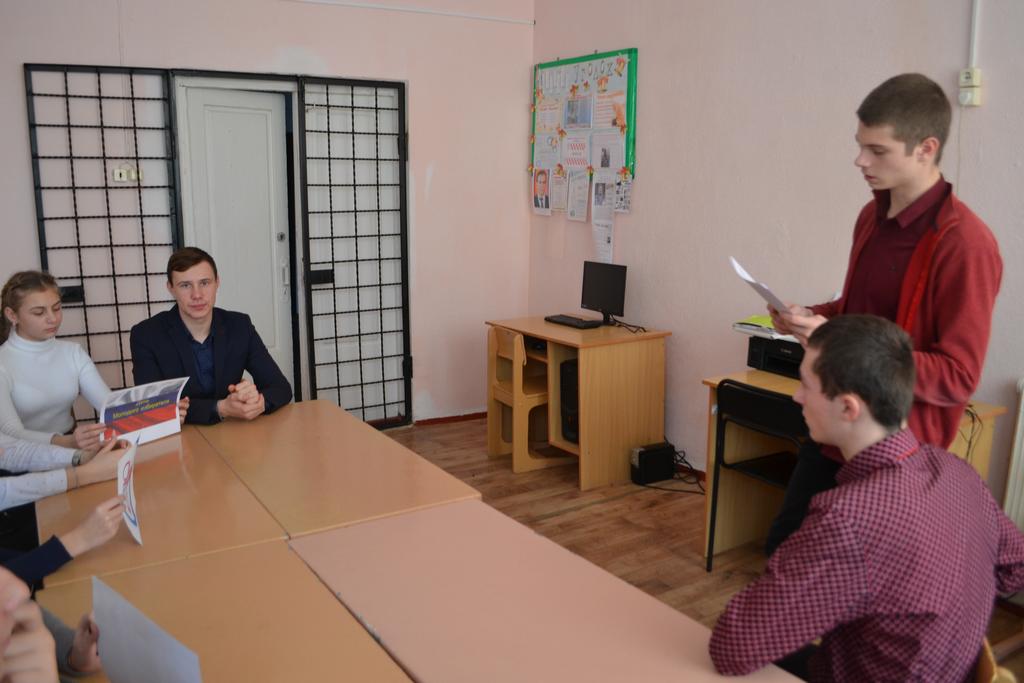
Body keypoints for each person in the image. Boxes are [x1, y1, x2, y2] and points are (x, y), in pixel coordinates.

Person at [710, 315, 1024, 682]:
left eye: (806, 385)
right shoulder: (956, 471)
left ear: (849, 408)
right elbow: (1015, 567)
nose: (797, 397)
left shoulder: (849, 519)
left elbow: (733, 647)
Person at [764, 73, 1002, 555]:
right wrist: (810, 317)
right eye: (860, 146)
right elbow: (857, 313)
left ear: (926, 148)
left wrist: (836, 337)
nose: (860, 160)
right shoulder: (870, 218)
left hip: (895, 454)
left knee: (844, 580)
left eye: (877, 150)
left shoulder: (966, 245)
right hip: (835, 429)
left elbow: (958, 376)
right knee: (785, 550)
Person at [130, 247, 292, 425]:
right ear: (171, 288)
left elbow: (281, 387)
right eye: (185, 285)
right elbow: (150, 407)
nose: (197, 295)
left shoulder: (239, 326)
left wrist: (258, 403)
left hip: (232, 432)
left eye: (205, 283)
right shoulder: (146, 335)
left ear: (217, 283)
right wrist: (221, 408)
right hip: (180, 435)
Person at [0, 272, 109, 451]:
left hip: (71, 448)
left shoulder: (72, 353)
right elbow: (11, 432)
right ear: (12, 315)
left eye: (57, 308)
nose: (53, 318)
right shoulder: (3, 362)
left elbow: (108, 404)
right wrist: (68, 442)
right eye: (39, 312)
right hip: (19, 455)